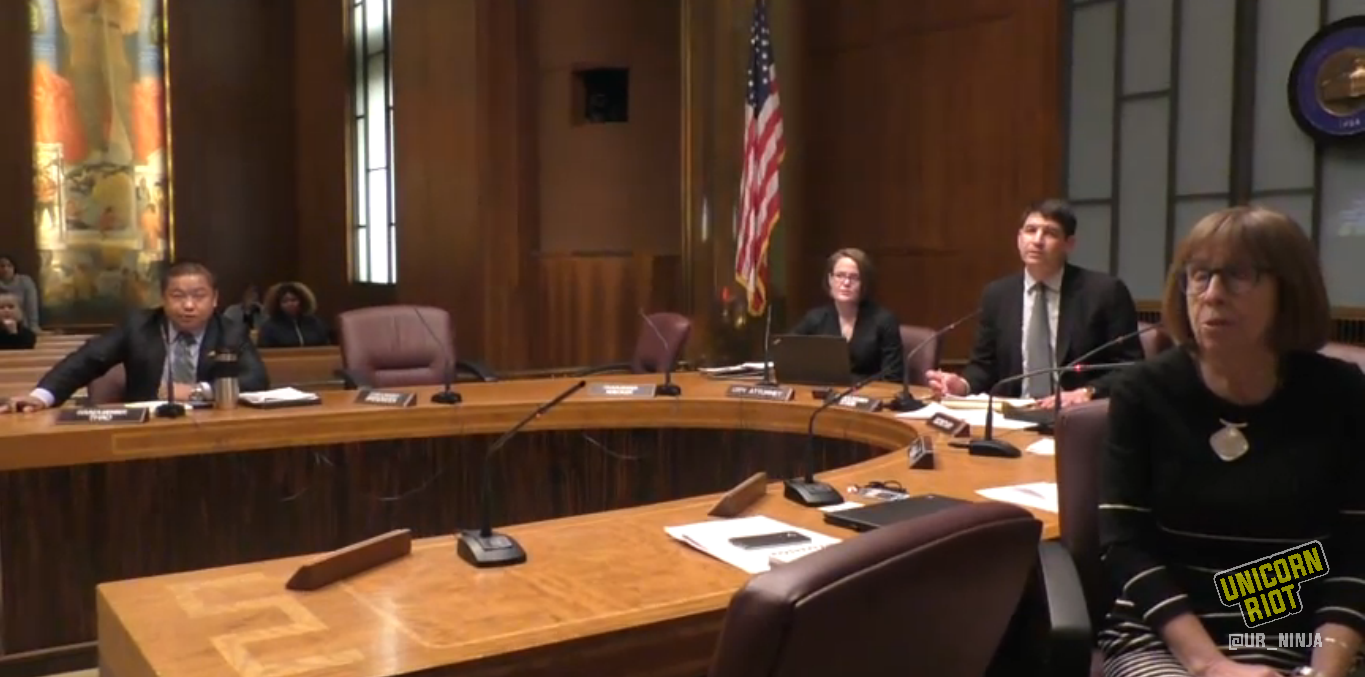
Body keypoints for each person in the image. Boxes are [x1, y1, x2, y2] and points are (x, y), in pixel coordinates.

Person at [1097, 207, 1364, 677]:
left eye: (1238, 275)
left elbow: (1356, 548)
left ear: (1289, 289)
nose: (1212, 294)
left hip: (1302, 631)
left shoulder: (1341, 393)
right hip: (1170, 633)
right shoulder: (1144, 391)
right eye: (1200, 275)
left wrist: (1326, 670)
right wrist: (1213, 666)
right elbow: (1124, 544)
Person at [924, 199, 1142, 406]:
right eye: (1030, 230)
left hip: (1075, 415)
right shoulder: (998, 295)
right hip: (1011, 412)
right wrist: (962, 386)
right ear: (1019, 239)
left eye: (1050, 233)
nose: (1037, 241)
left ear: (1069, 244)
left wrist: (1087, 392)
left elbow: (1130, 367)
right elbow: (984, 366)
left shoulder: (1104, 292)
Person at [4, 261, 269, 411]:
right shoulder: (139, 326)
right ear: (163, 299)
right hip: (147, 426)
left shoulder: (231, 331)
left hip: (211, 424)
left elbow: (256, 380)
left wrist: (199, 391)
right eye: (178, 296)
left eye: (198, 296)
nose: (188, 305)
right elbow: (87, 359)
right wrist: (41, 396)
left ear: (215, 299)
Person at [789, 248, 904, 381]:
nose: (846, 283)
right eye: (840, 275)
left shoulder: (884, 320)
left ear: (864, 283)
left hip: (870, 392)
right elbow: (787, 353)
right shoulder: (815, 318)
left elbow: (893, 375)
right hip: (824, 391)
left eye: (854, 277)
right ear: (830, 279)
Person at [256, 282, 329, 348]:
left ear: (302, 301)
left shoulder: (314, 323)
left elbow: (326, 347)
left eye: (294, 300)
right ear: (278, 304)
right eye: (285, 301)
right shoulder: (270, 327)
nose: (290, 304)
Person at [0, 255, 41, 331]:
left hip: (23, 326)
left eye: (9, 266)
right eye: (2, 266)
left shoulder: (24, 281)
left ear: (14, 268)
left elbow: (31, 306)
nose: (5, 269)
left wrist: (33, 326)